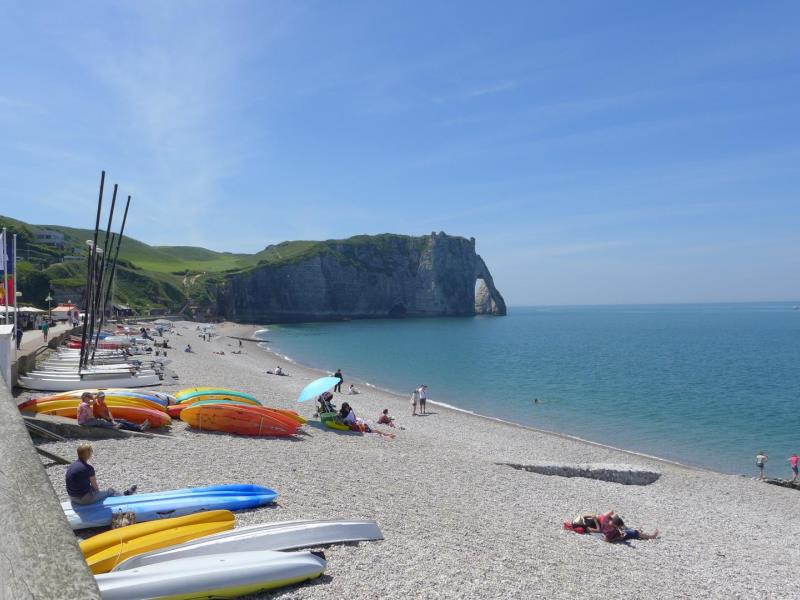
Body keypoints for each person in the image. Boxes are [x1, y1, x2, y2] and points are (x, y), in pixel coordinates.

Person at [66, 443, 136, 505]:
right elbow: (95, 487)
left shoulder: (72, 465)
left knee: (93, 490)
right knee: (110, 491)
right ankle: (124, 496)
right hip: (83, 500)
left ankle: (121, 495)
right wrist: (99, 495)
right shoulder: (88, 468)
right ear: (89, 454)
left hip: (72, 498)